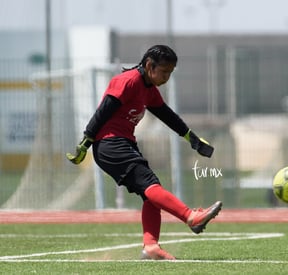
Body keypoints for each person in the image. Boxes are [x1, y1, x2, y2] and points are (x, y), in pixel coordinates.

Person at [66, 45, 222, 260]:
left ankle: (150, 247)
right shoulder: (128, 81)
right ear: (150, 65)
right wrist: (85, 142)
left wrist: (192, 138)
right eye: (165, 71)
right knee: (151, 186)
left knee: (151, 194)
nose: (167, 76)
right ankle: (190, 217)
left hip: (124, 144)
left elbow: (167, 115)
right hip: (110, 145)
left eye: (170, 72)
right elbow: (102, 112)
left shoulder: (149, 90)